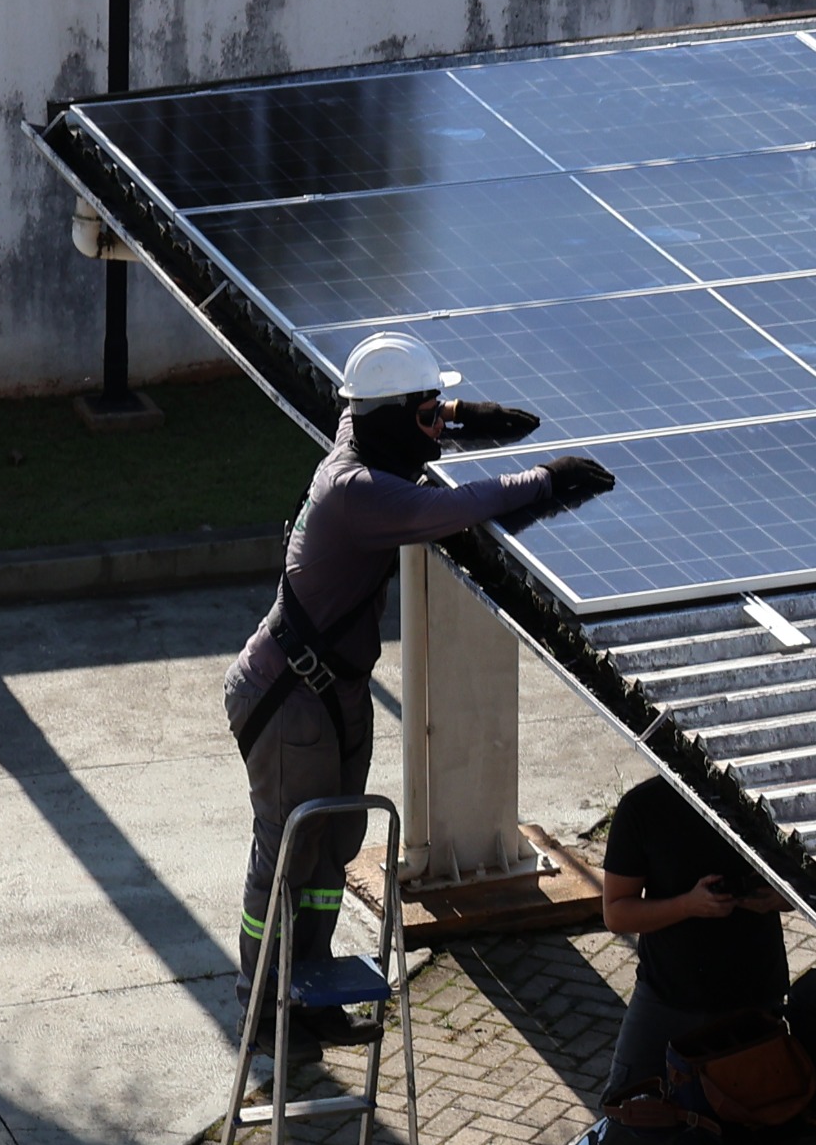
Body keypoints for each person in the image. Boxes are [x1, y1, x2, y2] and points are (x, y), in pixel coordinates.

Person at [226, 331, 612, 1047]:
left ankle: (309, 996)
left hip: (333, 695)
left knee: (332, 849)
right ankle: (261, 1011)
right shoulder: (357, 490)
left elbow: (390, 418)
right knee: (286, 857)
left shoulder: (364, 434)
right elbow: (457, 507)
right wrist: (545, 479)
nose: (436, 428)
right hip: (287, 698)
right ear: (393, 419)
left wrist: (465, 416)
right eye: (427, 415)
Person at [595, 775, 816, 1107]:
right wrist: (687, 905)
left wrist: (775, 898)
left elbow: (814, 888)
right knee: (627, 1111)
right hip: (668, 999)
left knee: (757, 1115)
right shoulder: (644, 807)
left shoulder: (764, 799)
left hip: (754, 1000)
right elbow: (616, 913)